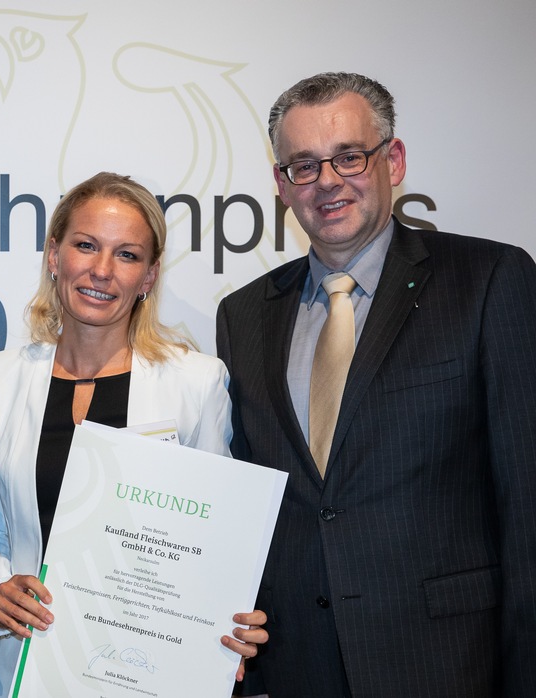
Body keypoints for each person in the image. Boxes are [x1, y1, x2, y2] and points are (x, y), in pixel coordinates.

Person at [216, 71, 536, 697]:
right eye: (303, 166)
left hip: (449, 666)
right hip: (296, 668)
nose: (327, 182)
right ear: (281, 186)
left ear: (393, 159)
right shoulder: (244, 314)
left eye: (349, 157)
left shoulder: (489, 280)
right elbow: (249, 504)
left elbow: (526, 505)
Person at [0, 172, 267, 697]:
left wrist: (227, 622)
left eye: (127, 255)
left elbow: (216, 543)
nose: (101, 271)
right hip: (34, 665)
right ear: (53, 255)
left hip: (155, 672)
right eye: (85, 246)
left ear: (150, 276)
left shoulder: (196, 382)